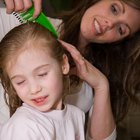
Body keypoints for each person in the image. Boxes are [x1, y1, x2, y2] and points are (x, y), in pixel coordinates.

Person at [3, 0, 140, 139]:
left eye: (121, 29)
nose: (109, 24)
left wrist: (101, 85)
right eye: (114, 9)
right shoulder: (25, 26)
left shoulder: (86, 95)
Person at [0, 22, 85, 140]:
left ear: (64, 64)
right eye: (20, 82)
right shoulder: (23, 127)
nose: (34, 89)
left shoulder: (76, 116)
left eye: (42, 74)